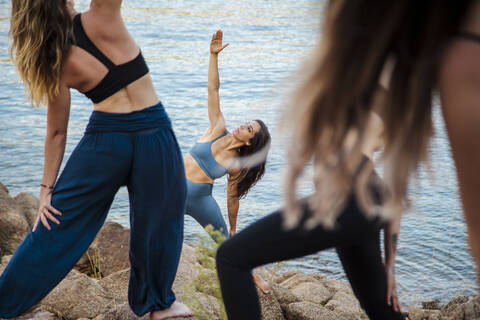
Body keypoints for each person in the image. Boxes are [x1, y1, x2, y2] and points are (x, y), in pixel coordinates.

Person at [216, 0, 480, 319]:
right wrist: (390, 265)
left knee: (231, 257)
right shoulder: (369, 85)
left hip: (349, 199)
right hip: (364, 199)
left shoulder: (372, 83)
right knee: (380, 309)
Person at [1, 0, 192, 319]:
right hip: (153, 133)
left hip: (106, 140)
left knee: (57, 220)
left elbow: (57, 132)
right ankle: (158, 304)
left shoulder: (52, 55)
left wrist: (47, 190)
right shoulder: (103, 14)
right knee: (160, 218)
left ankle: (5, 301)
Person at [184, 30, 272, 293]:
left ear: (249, 142)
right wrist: (213, 57)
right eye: (247, 123)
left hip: (201, 200)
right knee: (163, 239)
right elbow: (213, 89)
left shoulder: (236, 166)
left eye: (249, 129)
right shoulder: (217, 128)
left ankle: (252, 276)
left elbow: (232, 197)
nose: (243, 126)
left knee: (226, 242)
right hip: (173, 189)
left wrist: (233, 227)